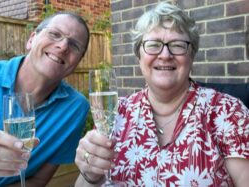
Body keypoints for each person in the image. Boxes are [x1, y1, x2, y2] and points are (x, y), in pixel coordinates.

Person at [75, 2, 249, 187]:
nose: (165, 54)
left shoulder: (227, 112)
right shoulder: (116, 112)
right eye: (153, 45)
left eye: (177, 45)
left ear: (191, 56)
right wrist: (90, 175)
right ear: (139, 55)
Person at [0, 12, 90, 186]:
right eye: (54, 34)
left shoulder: (74, 109)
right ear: (31, 40)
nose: (63, 46)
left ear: (78, 62)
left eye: (75, 46)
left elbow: (37, 181)